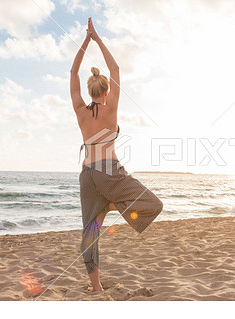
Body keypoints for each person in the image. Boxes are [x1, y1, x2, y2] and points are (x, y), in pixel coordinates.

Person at [70, 17, 163, 292]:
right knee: (152, 204)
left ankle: (96, 287)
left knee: (89, 233)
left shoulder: (79, 110)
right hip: (109, 171)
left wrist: (85, 41)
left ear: (89, 90)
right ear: (107, 91)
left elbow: (73, 72)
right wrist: (98, 38)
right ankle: (112, 206)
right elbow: (116, 68)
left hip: (87, 175)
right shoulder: (111, 110)